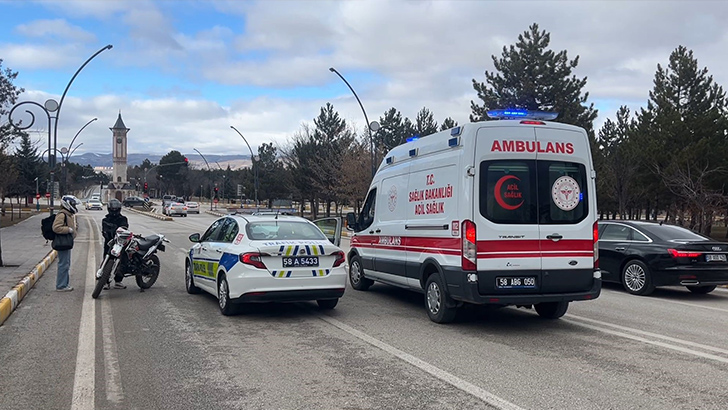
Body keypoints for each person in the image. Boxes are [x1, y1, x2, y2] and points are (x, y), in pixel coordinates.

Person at [99, 199, 129, 289]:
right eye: (113, 209)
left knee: (123, 261)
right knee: (106, 261)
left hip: (120, 243)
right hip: (109, 243)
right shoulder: (105, 220)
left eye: (116, 209)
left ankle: (118, 280)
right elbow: (104, 232)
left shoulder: (123, 219)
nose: (114, 211)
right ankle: (104, 281)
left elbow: (125, 228)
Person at [53, 198, 78, 291]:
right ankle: (61, 285)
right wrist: (68, 230)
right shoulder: (62, 215)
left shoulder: (68, 214)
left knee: (66, 264)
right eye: (73, 204)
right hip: (62, 243)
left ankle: (64, 284)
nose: (74, 206)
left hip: (67, 243)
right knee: (63, 264)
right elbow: (56, 228)